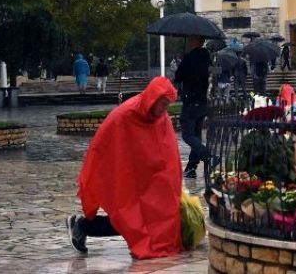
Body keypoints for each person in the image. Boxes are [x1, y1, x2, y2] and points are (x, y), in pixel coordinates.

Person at [66, 76, 183, 259]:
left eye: (167, 104)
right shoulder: (125, 115)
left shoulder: (161, 117)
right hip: (127, 177)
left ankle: (82, 226)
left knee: (155, 215)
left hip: (151, 178)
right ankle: (82, 226)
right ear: (153, 99)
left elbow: (167, 152)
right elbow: (103, 146)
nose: (164, 109)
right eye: (162, 103)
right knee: (130, 219)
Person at [173, 36, 211, 179]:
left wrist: (183, 61)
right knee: (196, 135)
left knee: (188, 135)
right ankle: (191, 167)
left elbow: (179, 76)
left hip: (191, 101)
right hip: (202, 101)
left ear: (196, 41)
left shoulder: (190, 58)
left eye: (191, 39)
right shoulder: (207, 57)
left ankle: (207, 154)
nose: (188, 41)